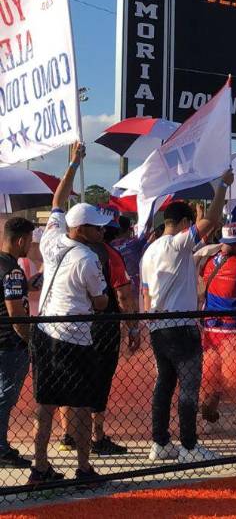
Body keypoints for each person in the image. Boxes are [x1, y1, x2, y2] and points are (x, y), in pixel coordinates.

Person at [30, 143, 111, 484]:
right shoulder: (89, 258)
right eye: (96, 227)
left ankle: (40, 466)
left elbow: (56, 202)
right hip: (74, 338)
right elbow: (101, 302)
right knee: (78, 404)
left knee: (45, 404)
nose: (102, 231)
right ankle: (83, 467)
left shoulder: (52, 239)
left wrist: (73, 164)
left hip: (45, 332)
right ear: (82, 230)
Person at [140, 169, 233, 463]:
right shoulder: (178, 243)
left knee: (164, 385)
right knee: (189, 386)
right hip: (181, 326)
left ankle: (160, 442)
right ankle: (189, 447)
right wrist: (221, 186)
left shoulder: (148, 251)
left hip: (157, 325)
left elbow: (144, 292)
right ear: (182, 224)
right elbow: (213, 220)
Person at [58, 216, 139, 456]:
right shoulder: (108, 255)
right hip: (103, 324)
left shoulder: (63, 250)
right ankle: (97, 436)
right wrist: (133, 327)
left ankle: (68, 434)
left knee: (71, 377)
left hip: (70, 324)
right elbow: (123, 295)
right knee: (100, 379)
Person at [199, 223, 236, 426]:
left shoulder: (210, 262)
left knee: (211, 380)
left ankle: (208, 420)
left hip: (210, 330)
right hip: (232, 332)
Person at [0, 217, 36, 468]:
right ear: (21, 240)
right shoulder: (12, 270)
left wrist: (28, 285)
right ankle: (1, 449)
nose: (30, 246)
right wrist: (31, 341)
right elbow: (16, 314)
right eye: (30, 241)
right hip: (10, 345)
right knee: (5, 397)